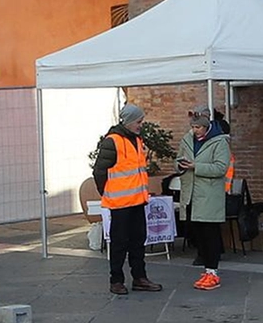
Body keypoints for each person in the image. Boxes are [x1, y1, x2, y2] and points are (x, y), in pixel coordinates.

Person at [92, 103, 162, 295]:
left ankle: (139, 278)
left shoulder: (136, 140)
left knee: (138, 241)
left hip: (137, 201)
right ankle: (116, 280)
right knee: (119, 243)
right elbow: (99, 171)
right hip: (120, 203)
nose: (141, 125)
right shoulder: (112, 141)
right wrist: (105, 192)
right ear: (129, 121)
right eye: (139, 121)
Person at [176, 111, 231, 290]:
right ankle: (207, 270)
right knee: (198, 234)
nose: (195, 130)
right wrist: (180, 165)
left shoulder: (220, 143)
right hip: (191, 194)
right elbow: (177, 159)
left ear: (206, 127)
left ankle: (213, 272)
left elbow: (221, 167)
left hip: (208, 196)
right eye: (193, 127)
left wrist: (195, 166)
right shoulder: (187, 140)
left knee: (210, 234)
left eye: (198, 127)